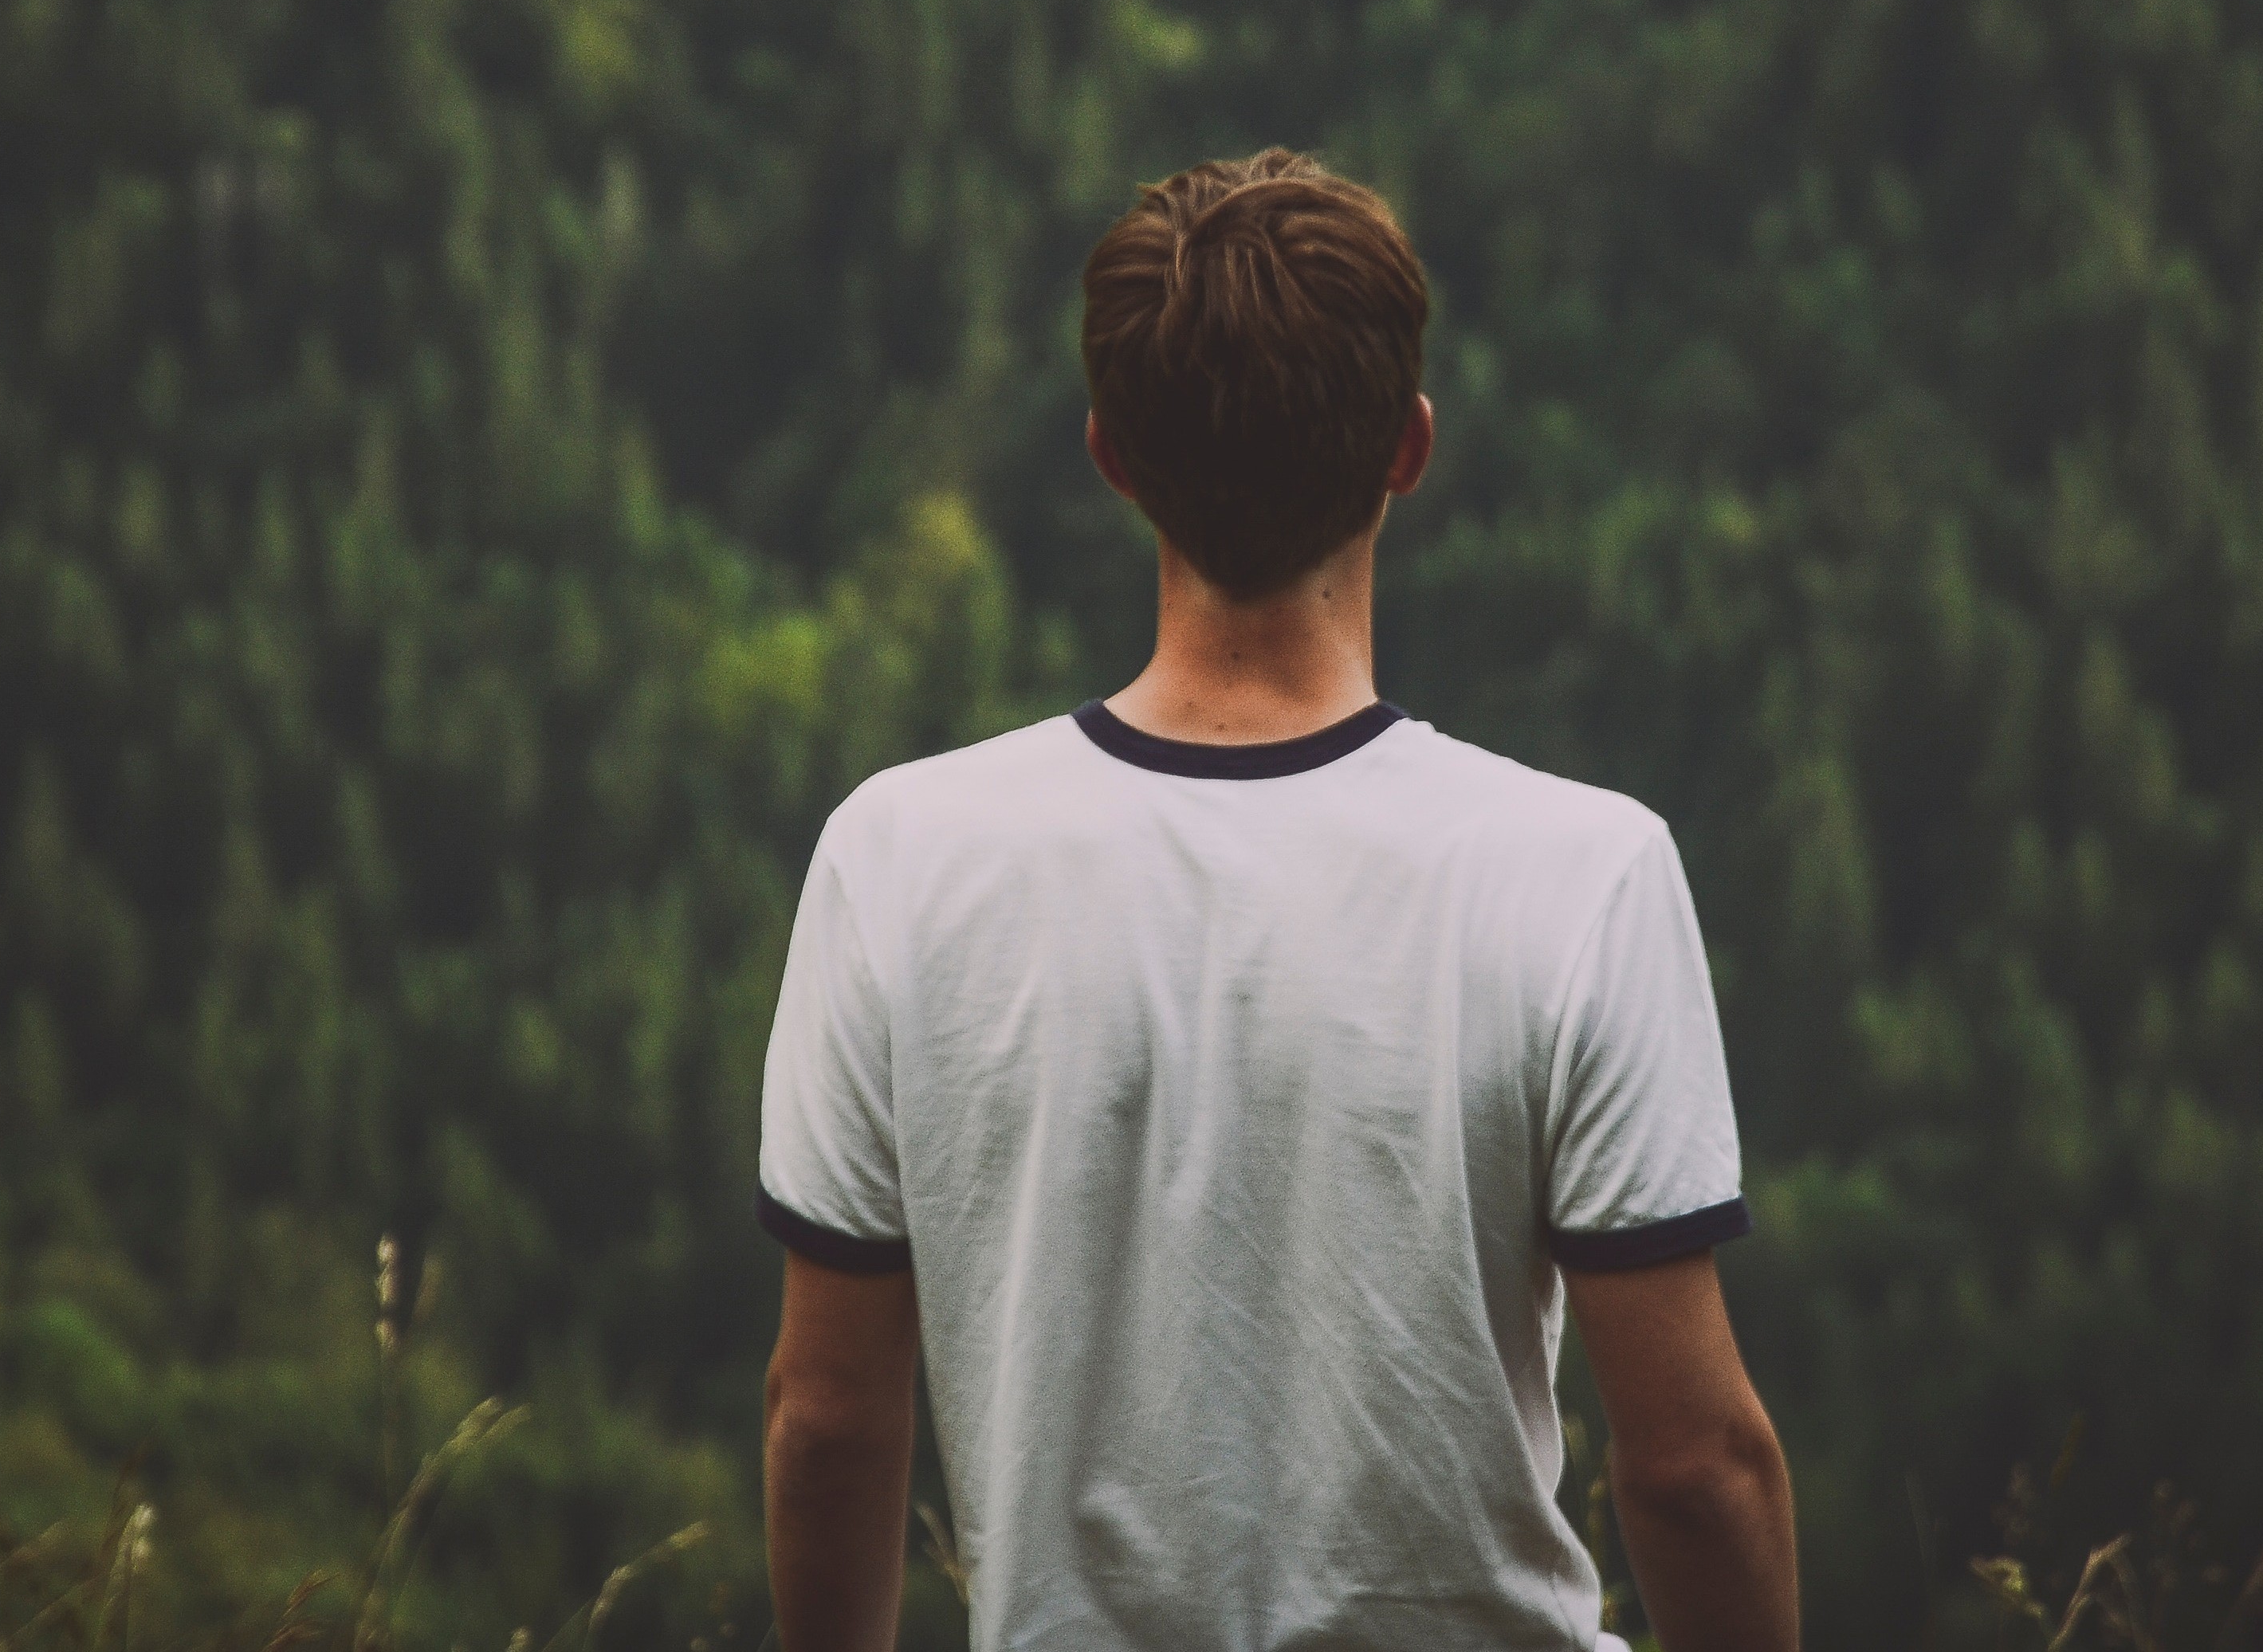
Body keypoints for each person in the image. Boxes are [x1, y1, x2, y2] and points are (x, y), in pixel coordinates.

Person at [756, 150, 1796, 1652]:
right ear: (1409, 448)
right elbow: (1696, 1471)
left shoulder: (897, 860)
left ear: (1112, 456)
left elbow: (828, 1420)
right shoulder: (1584, 875)